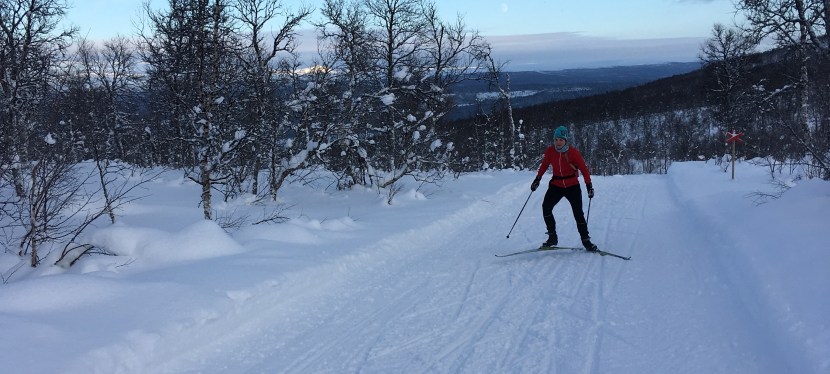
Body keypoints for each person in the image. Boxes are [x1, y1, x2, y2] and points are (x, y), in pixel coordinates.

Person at [530, 125, 598, 251]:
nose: (558, 142)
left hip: (572, 186)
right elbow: (544, 165)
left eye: (561, 139)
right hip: (556, 185)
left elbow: (583, 169)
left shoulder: (573, 152)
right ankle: (552, 237)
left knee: (578, 213)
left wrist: (589, 186)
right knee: (546, 207)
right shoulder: (550, 151)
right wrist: (537, 179)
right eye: (556, 139)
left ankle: (586, 240)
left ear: (565, 140)